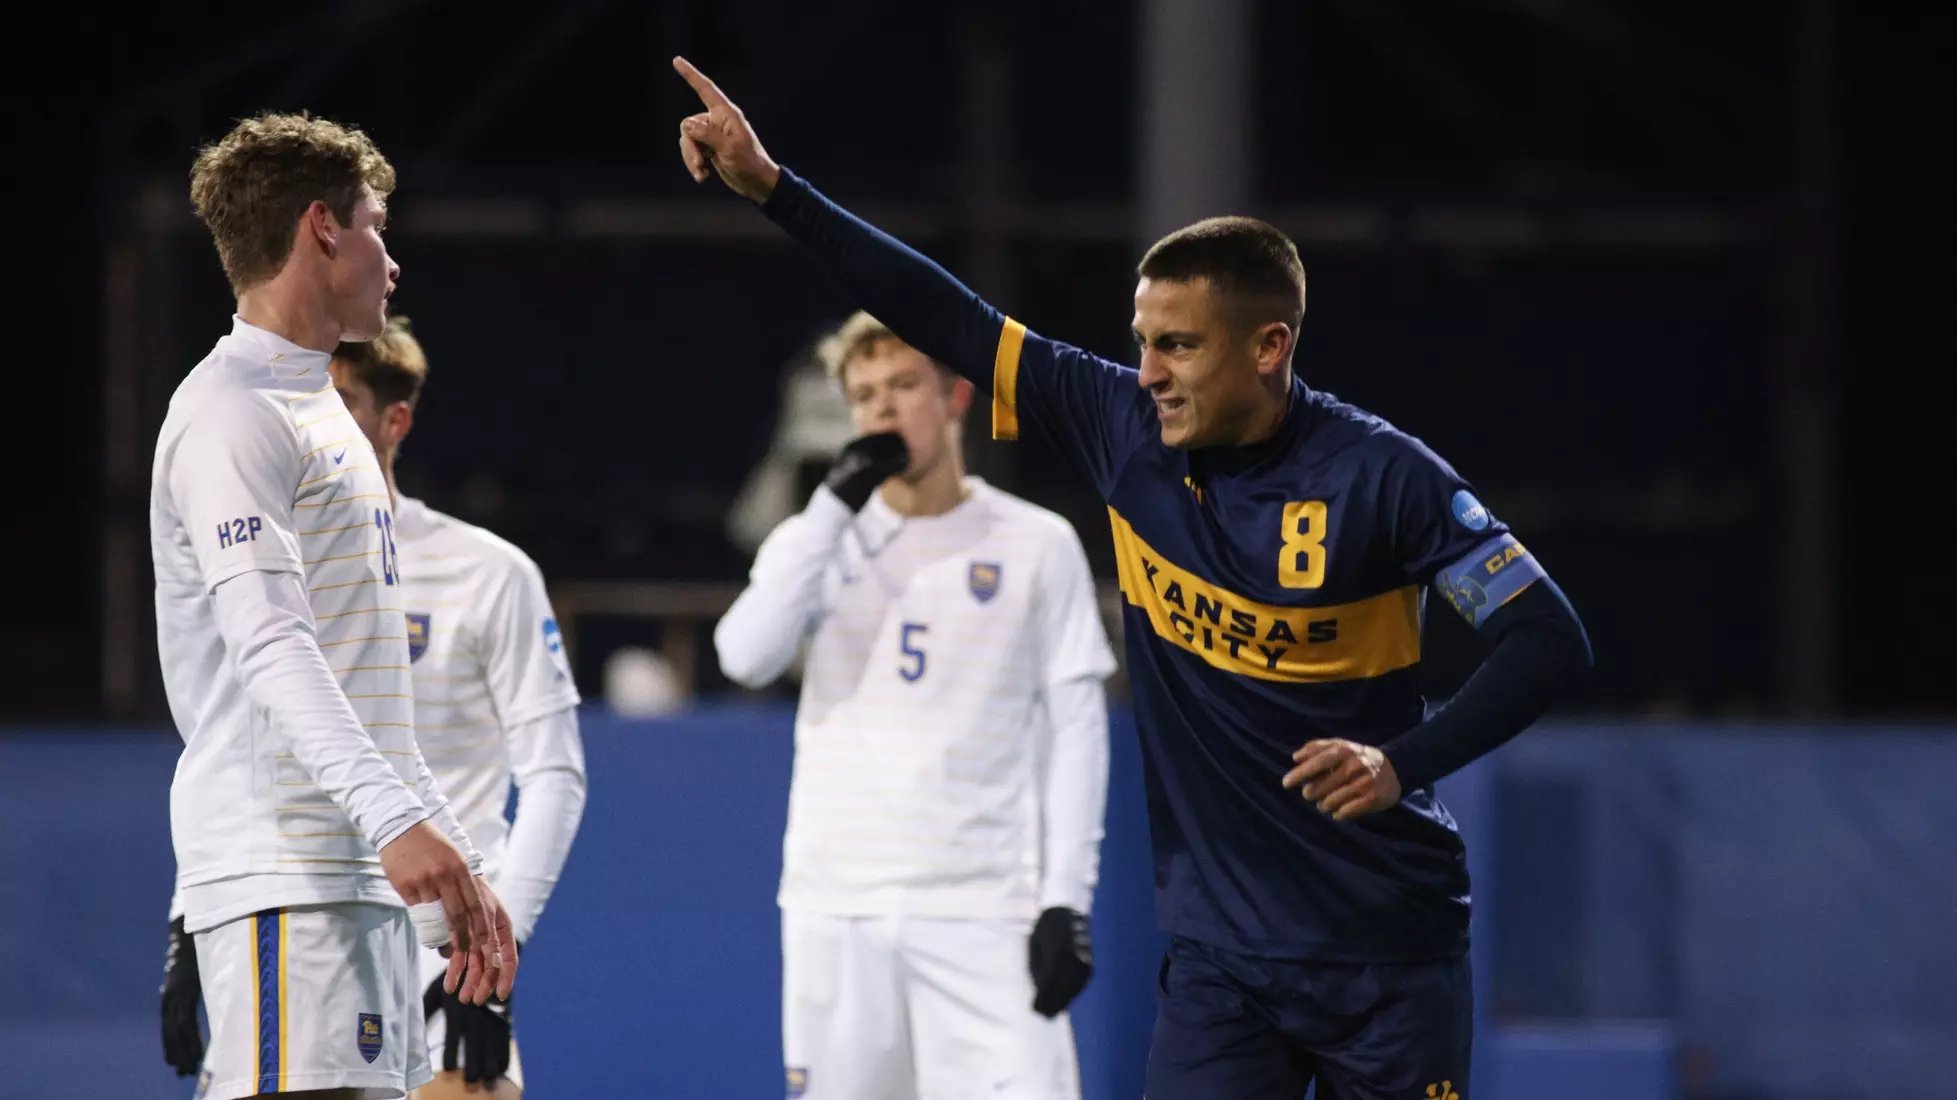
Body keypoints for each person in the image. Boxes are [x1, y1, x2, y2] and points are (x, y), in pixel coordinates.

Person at [673, 58, 1594, 1099]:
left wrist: (1400, 760)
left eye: (1179, 346)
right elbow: (950, 316)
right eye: (1141, 342)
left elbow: (1547, 638)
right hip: (1220, 959)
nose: (1148, 369)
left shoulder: (1384, 478)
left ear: (1268, 346)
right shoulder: (1120, 426)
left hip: (1386, 951)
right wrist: (776, 190)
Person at [153, 111, 514, 1100]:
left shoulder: (319, 411)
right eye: (377, 226)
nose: (389, 261)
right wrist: (398, 824)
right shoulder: (232, 410)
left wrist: (459, 891)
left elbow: (366, 682)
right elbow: (271, 646)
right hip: (287, 878)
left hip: (351, 888)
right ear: (322, 228)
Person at [713, 310, 1118, 1100]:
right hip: (838, 907)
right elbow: (746, 654)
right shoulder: (819, 540)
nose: (883, 410)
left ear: (956, 395)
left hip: (985, 909)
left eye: (903, 385)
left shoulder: (1037, 542)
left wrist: (1066, 898)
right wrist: (831, 510)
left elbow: (1077, 733)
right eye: (863, 395)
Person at [329, 318, 589, 1098]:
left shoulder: (489, 572)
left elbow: (554, 775)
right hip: (299, 931)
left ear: (394, 420)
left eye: (338, 401)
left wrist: (495, 957)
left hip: (441, 957)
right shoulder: (259, 569)